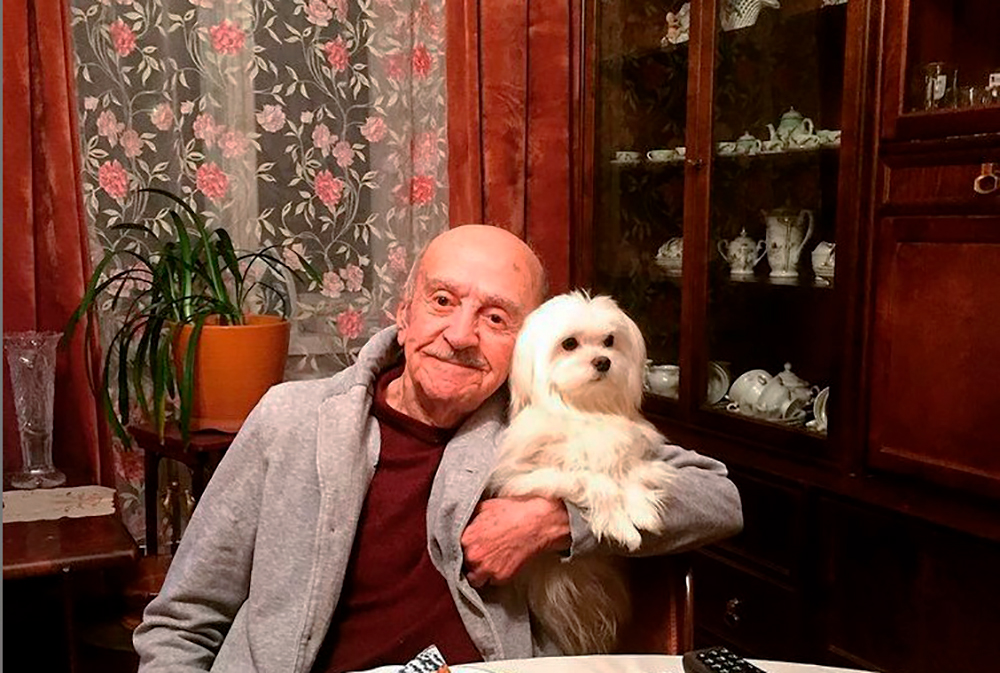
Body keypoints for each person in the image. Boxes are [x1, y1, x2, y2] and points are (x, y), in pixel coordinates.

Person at [133, 224, 743, 673]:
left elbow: (718, 498)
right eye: (443, 301)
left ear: (526, 344)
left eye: (496, 318)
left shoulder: (544, 429)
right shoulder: (292, 420)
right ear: (404, 314)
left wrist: (558, 519)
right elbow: (181, 620)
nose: (460, 335)